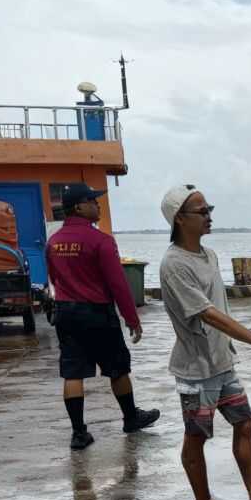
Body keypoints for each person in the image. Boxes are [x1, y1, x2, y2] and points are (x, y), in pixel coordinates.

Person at [158, 184, 251, 500]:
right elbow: (208, 314)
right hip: (196, 369)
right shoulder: (174, 264)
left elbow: (218, 309)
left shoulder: (209, 255)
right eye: (202, 211)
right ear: (180, 219)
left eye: (210, 209)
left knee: (245, 422)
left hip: (222, 362)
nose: (209, 216)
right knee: (196, 436)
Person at [45, 182, 160, 450]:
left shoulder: (53, 242)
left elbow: (53, 277)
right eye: (92, 201)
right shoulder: (101, 241)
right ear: (78, 207)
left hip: (66, 312)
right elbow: (118, 283)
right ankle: (130, 418)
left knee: (73, 373)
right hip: (97, 312)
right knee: (117, 367)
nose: (98, 205)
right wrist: (132, 319)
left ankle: (79, 433)